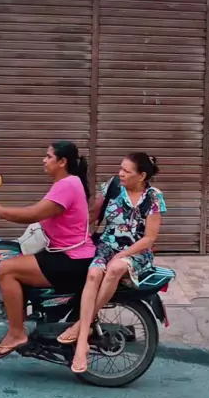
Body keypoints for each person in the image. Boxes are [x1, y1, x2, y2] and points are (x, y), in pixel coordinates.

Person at [0, 141, 96, 360]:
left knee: (6, 269)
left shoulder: (67, 185)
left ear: (62, 161)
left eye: (48, 156)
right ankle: (24, 319)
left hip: (71, 258)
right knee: (15, 258)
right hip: (65, 252)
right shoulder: (67, 183)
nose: (44, 160)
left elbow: (32, 214)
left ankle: (16, 332)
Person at [58, 151, 166, 374]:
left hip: (137, 251)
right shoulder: (113, 186)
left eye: (127, 171)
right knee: (94, 274)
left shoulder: (154, 198)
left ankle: (80, 327)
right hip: (106, 246)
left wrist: (122, 254)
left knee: (115, 268)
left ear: (141, 176)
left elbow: (149, 238)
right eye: (120, 169)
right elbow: (92, 214)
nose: (121, 174)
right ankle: (81, 345)